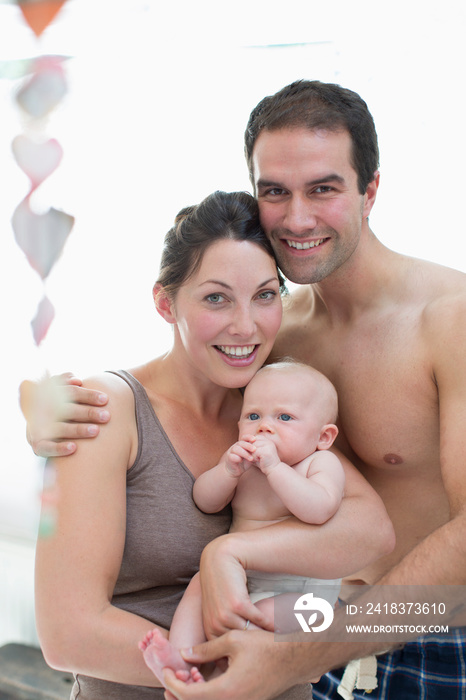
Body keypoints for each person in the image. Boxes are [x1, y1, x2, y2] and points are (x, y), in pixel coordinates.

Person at [26, 79, 466, 699]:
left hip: (423, 629)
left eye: (324, 188)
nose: (298, 217)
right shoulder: (276, 351)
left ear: (371, 190)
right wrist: (40, 411)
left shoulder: (450, 319)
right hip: (315, 635)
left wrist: (233, 566)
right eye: (275, 192)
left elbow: (418, 540)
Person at [31, 188, 393, 700]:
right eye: (216, 297)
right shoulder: (106, 410)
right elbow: (70, 636)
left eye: (266, 295)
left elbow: (372, 534)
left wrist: (229, 552)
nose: (245, 326)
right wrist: (228, 671)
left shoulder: (273, 405)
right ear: (165, 302)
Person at [139, 360, 345, 687]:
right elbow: (205, 500)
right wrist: (226, 472)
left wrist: (276, 469)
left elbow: (319, 509)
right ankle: (181, 659)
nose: (264, 427)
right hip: (238, 579)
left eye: (284, 417)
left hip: (299, 588)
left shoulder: (319, 463)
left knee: (308, 613)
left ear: (324, 436)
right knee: (199, 587)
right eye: (253, 416)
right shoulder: (242, 463)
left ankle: (233, 657)